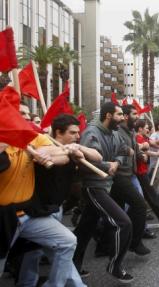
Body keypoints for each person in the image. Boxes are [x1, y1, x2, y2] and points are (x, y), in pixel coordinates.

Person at [0, 103, 80, 287]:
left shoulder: (33, 138)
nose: (27, 118)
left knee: (66, 241)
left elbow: (62, 154)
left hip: (27, 213)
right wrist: (8, 139)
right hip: (2, 217)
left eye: (28, 115)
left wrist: (48, 155)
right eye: (21, 114)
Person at [17, 114, 102, 286]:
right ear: (58, 132)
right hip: (32, 211)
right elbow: (45, 154)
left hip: (52, 210)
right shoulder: (43, 142)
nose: (78, 136)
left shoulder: (74, 149)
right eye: (73, 133)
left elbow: (97, 157)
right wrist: (64, 151)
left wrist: (78, 148)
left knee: (55, 248)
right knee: (34, 252)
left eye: (78, 132)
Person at [73, 102, 134, 284]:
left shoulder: (115, 132)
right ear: (108, 115)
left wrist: (117, 162)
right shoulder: (91, 133)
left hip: (106, 184)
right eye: (119, 115)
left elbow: (124, 151)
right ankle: (114, 266)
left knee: (85, 229)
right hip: (93, 186)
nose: (123, 118)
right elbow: (87, 160)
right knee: (124, 223)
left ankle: (72, 265)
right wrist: (109, 165)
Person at [111, 104, 151, 254]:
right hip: (120, 174)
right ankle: (135, 242)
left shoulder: (131, 131)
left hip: (130, 173)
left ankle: (106, 244)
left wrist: (142, 156)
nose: (137, 117)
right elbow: (119, 150)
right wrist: (128, 152)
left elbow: (134, 149)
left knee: (122, 209)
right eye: (135, 114)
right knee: (139, 205)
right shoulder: (117, 132)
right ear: (126, 116)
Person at [135, 119, 159, 228]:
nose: (148, 129)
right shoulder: (138, 138)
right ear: (140, 129)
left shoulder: (144, 137)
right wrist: (156, 154)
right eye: (146, 128)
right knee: (150, 196)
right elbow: (144, 151)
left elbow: (153, 143)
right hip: (139, 172)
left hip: (142, 171)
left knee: (151, 196)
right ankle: (156, 221)